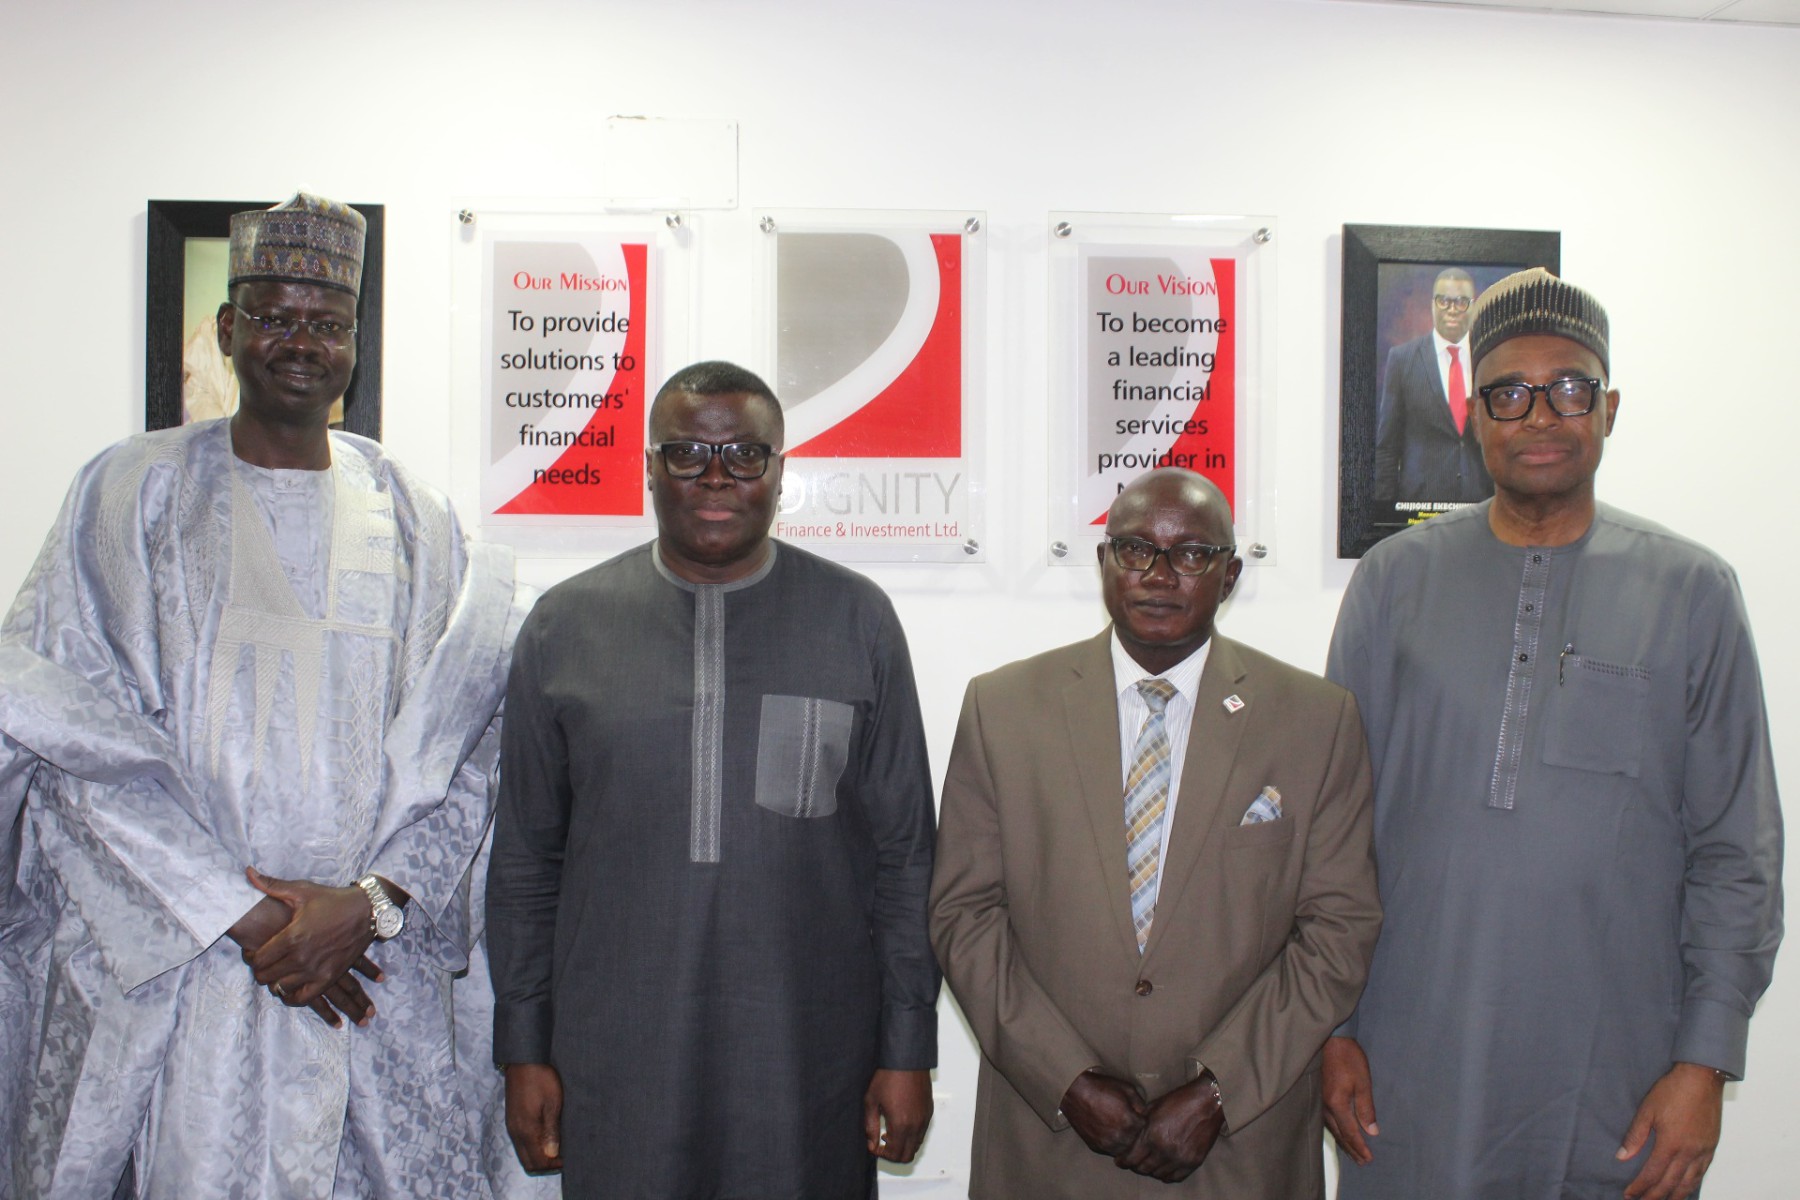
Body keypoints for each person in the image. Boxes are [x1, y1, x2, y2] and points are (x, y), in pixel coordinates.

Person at [0, 194, 523, 1198]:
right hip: (180, 969)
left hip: (366, 981)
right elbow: (64, 728)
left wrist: (370, 905)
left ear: (353, 345)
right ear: (227, 329)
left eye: (327, 323)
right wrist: (239, 912)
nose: (302, 342)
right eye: (275, 316)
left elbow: (473, 749)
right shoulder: (129, 495)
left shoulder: (418, 520)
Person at [1325, 269, 1783, 1200]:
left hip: (1619, 1075)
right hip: (1409, 1060)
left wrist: (1705, 1064)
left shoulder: (1692, 592)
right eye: (1510, 393)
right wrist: (1329, 1031)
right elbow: (1328, 832)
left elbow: (1738, 851)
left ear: (1608, 409)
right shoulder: (1393, 583)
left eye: (1569, 388)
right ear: (1474, 417)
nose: (1541, 415)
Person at [486, 360, 939, 1198]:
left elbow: (906, 857)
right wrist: (523, 1044)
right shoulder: (565, 628)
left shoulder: (856, 621)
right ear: (649, 468)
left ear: (779, 471)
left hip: (810, 1057)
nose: (717, 477)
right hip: (615, 1056)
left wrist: (908, 1046)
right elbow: (524, 860)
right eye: (688, 453)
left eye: (745, 455)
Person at [931, 468, 1382, 1199]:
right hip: (1050, 1142)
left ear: (1230, 575)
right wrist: (1065, 1078)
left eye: (1192, 554)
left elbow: (1339, 928)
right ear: (1104, 562)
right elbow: (963, 916)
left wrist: (1219, 1092)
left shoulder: (1315, 720)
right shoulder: (1003, 710)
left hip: (1239, 1146)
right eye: (1136, 549)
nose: (1160, 575)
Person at [1373, 266, 1492, 504]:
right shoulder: (1403, 359)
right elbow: (1387, 447)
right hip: (1420, 507)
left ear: (1473, 306)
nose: (1452, 310)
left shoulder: (1490, 357)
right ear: (1432, 305)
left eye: (1461, 302)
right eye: (1443, 301)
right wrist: (1385, 512)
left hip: (1482, 504)